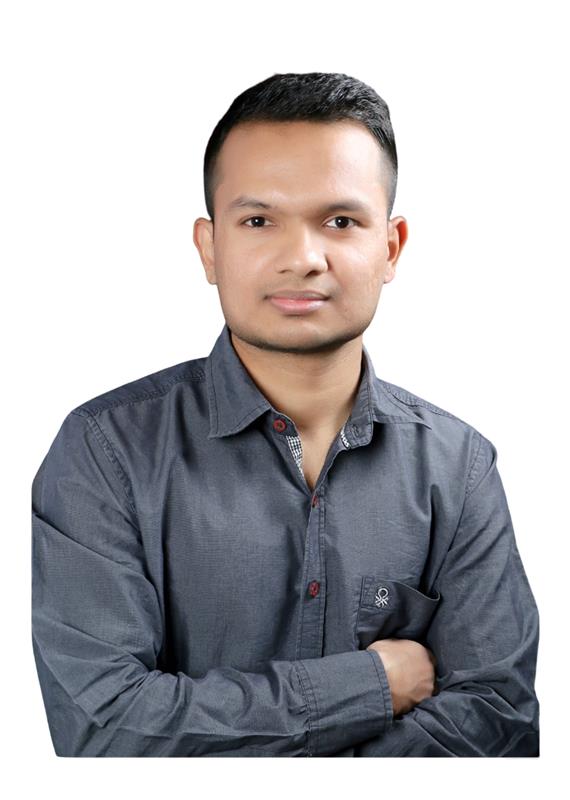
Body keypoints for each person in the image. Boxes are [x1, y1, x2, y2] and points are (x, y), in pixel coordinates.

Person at [31, 71, 540, 757]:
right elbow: (106, 728)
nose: (302, 259)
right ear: (210, 248)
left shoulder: (459, 466)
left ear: (390, 247)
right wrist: (371, 685)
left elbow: (497, 722)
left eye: (340, 222)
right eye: (258, 221)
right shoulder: (105, 451)